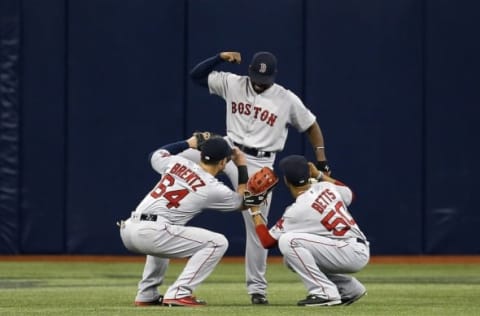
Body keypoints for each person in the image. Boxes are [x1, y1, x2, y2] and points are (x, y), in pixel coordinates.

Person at [189, 51, 331, 304]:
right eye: (255, 75)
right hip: (227, 149)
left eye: (264, 78)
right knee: (178, 162)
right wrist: (219, 57)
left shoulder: (286, 99)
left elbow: (311, 125)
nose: (258, 81)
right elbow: (196, 76)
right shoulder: (234, 82)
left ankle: (257, 289)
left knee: (257, 226)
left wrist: (321, 160)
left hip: (259, 163)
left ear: (273, 76)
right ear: (250, 70)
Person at [118, 133, 249, 307]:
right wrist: (242, 166)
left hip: (129, 228)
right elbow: (242, 202)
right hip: (151, 232)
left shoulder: (177, 162)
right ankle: (179, 293)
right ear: (223, 162)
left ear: (201, 154)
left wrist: (188, 143)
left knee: (168, 229)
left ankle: (147, 294)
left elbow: (156, 154)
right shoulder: (213, 188)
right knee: (218, 242)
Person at [249, 155, 369, 306]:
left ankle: (325, 293)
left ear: (286, 181)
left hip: (347, 251)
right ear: (309, 174)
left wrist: (255, 211)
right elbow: (349, 193)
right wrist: (320, 175)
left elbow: (267, 242)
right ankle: (349, 289)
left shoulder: (297, 210)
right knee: (291, 260)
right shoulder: (326, 186)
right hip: (354, 247)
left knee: (289, 241)